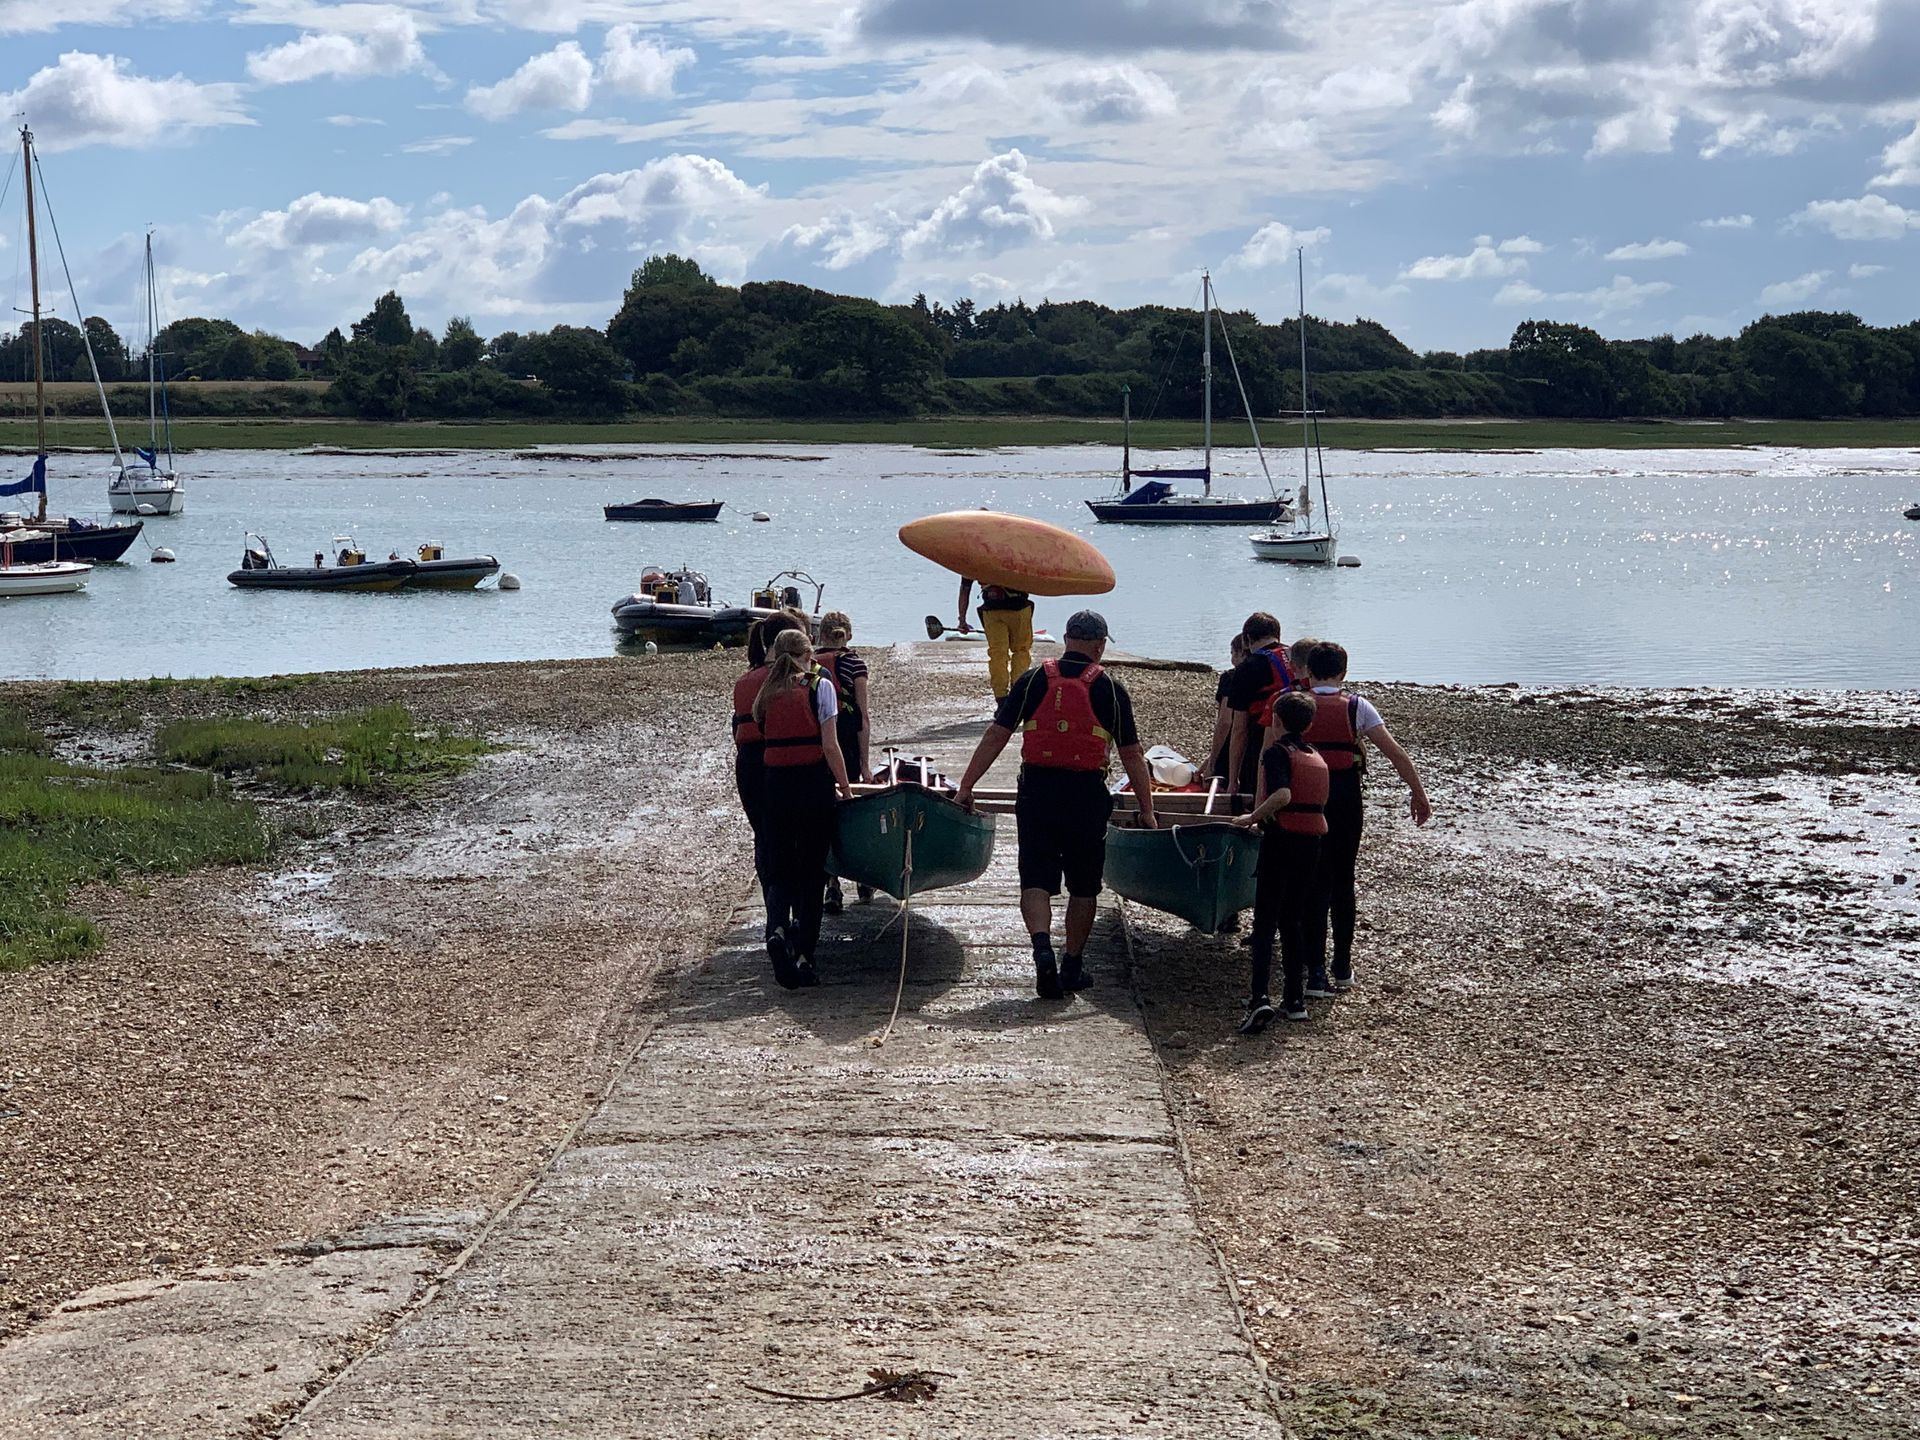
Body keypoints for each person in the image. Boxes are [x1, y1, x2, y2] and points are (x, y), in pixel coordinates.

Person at [956, 610, 1158, 999]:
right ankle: (1072, 965)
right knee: (1084, 885)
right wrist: (1146, 809)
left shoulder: (1033, 680)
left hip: (1037, 789)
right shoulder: (1110, 688)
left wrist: (967, 785)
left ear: (1066, 640)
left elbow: (997, 734)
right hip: (1086, 793)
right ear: (1099, 646)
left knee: (1035, 878)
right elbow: (1132, 754)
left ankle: (1042, 949)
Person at [1301, 641, 1434, 995]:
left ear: (1308, 673)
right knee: (1343, 879)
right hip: (1345, 797)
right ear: (1343, 673)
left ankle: (1315, 972)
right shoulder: (1357, 707)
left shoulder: (1295, 704)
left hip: (1307, 796)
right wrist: (1418, 793)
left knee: (1314, 882)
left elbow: (1270, 754)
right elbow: (1395, 753)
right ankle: (1342, 966)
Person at [753, 628, 855, 989]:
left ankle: (776, 930)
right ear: (807, 655)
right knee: (812, 871)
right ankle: (804, 956)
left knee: (781, 869)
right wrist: (845, 787)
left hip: (774, 787)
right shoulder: (819, 686)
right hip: (811, 785)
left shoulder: (766, 692)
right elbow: (830, 745)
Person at [1230, 692, 1329, 1032]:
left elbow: (1283, 794)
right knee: (1293, 920)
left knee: (1265, 923)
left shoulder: (1276, 752)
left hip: (1282, 841)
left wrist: (1252, 817)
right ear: (1309, 724)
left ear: (1276, 720)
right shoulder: (1315, 755)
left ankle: (1259, 998)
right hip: (1311, 844)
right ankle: (1295, 999)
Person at [733, 612, 810, 910]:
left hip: (748, 766)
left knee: (765, 839)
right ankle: (799, 912)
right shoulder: (801, 682)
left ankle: (775, 915)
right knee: (796, 840)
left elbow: (738, 731)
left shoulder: (744, 682)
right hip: (785, 766)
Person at [814, 610, 873, 914]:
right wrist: (864, 764)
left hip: (818, 745)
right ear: (848, 635)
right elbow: (863, 717)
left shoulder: (809, 663)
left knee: (826, 813)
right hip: (846, 744)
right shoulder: (855, 664)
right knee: (853, 810)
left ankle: (832, 885)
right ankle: (863, 876)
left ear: (819, 635)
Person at [1222, 613, 1295, 805]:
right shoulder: (1297, 657)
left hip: (1261, 741)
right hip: (1301, 740)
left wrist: (1233, 779)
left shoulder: (1246, 668)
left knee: (1259, 795)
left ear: (1247, 639)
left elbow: (1239, 729)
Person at [957, 576, 1035, 700]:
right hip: (1018, 609)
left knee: (998, 654)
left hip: (992, 610)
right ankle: (1017, 691)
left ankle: (1001, 696)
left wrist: (962, 619)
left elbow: (965, 588)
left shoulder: (975, 564)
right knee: (1021, 651)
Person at [1207, 634, 1249, 782]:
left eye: (1232, 653)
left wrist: (1212, 763)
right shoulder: (1262, 673)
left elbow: (1225, 721)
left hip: (1232, 744)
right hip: (1253, 744)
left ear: (1240, 653)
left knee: (1218, 781)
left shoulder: (1230, 677)